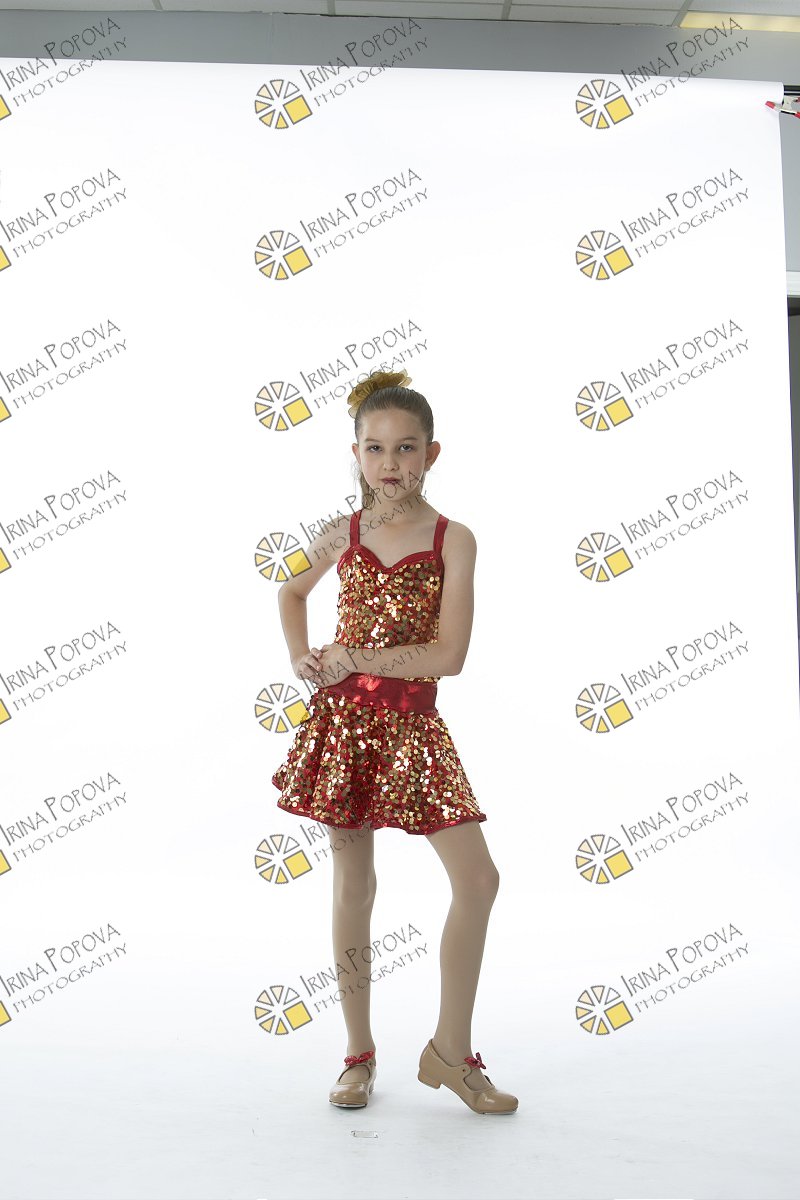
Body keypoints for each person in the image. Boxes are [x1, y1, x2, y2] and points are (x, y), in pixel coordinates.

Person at [271, 369, 518, 1117]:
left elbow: (449, 655)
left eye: (406, 448)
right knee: (355, 887)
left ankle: (451, 1051)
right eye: (375, 448)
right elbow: (290, 590)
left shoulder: (453, 539)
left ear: (431, 453)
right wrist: (302, 655)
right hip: (345, 729)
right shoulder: (343, 533)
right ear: (356, 453)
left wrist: (353, 654)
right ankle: (358, 1054)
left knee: (477, 880)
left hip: (414, 728)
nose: (390, 463)